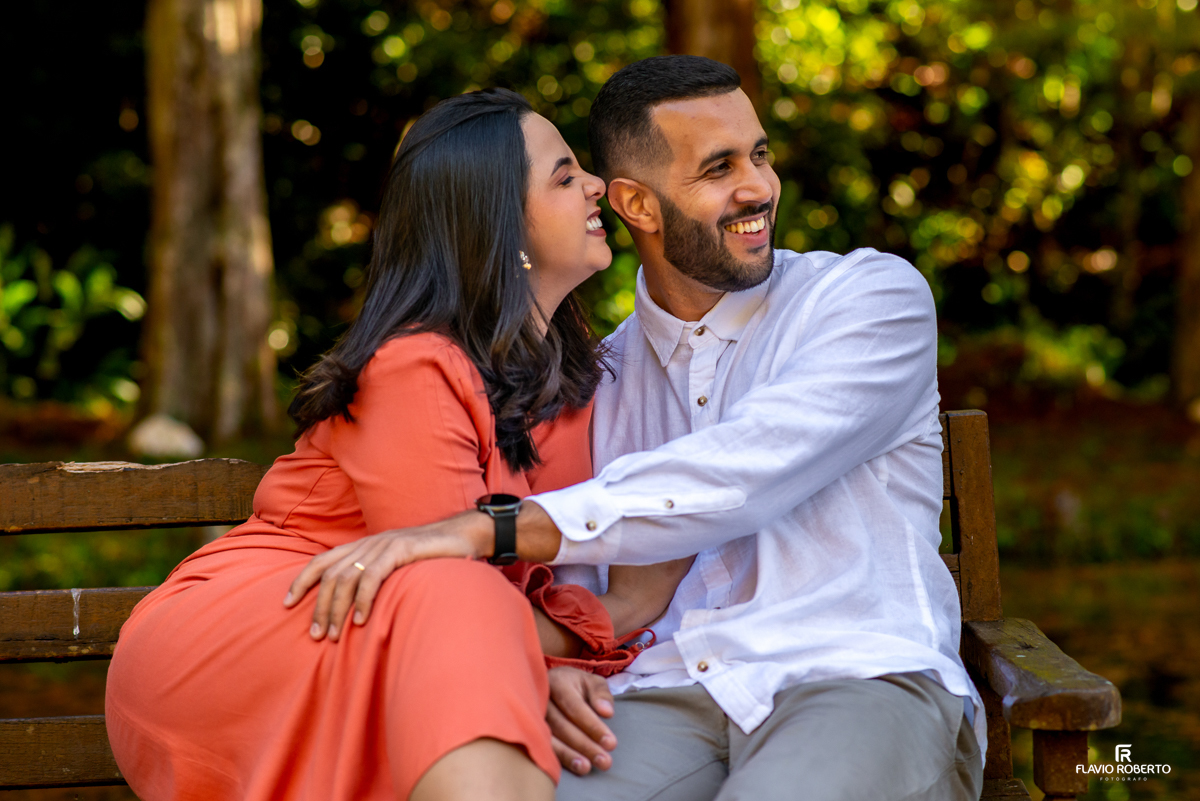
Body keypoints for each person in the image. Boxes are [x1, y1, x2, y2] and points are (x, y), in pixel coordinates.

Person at [289, 57, 986, 801]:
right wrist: (552, 664)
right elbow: (581, 582)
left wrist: (486, 528)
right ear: (636, 204)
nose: (758, 188)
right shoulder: (596, 379)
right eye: (719, 168)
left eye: (760, 155)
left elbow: (745, 470)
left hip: (853, 675)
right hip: (657, 692)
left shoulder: (867, 300)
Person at [105, 88, 690, 801]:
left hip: (411, 636)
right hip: (264, 632)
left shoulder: (571, 379)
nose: (597, 183)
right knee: (458, 588)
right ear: (498, 225)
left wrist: (534, 658)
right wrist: (611, 617)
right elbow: (446, 574)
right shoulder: (416, 365)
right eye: (565, 176)